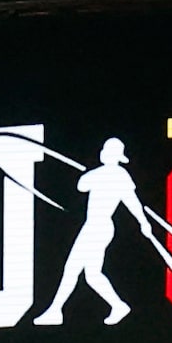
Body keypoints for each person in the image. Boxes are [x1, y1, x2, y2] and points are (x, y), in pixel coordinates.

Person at [35, 136, 144, 326]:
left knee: (72, 269)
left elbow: (132, 202)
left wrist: (143, 222)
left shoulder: (117, 175)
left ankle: (55, 310)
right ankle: (117, 305)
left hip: (98, 227)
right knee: (91, 274)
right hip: (95, 226)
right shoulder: (105, 174)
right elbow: (81, 185)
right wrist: (143, 222)